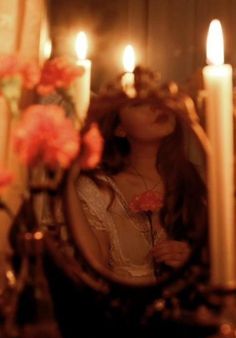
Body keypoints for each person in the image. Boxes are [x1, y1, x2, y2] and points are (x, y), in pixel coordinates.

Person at [64, 67, 208, 284]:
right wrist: (68, 177)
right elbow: (93, 266)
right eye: (139, 104)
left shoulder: (198, 178)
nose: (156, 107)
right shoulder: (98, 190)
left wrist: (193, 260)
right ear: (119, 128)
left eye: (158, 99)